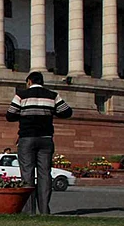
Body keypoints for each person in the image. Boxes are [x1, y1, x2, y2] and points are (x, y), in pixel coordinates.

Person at [6, 71, 73, 215]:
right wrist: (51, 112)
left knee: (27, 174)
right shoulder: (52, 95)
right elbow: (67, 112)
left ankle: (29, 210)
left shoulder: (21, 96)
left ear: (29, 81)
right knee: (44, 173)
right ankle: (44, 210)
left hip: (27, 138)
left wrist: (24, 115)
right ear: (42, 82)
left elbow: (10, 115)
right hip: (46, 138)